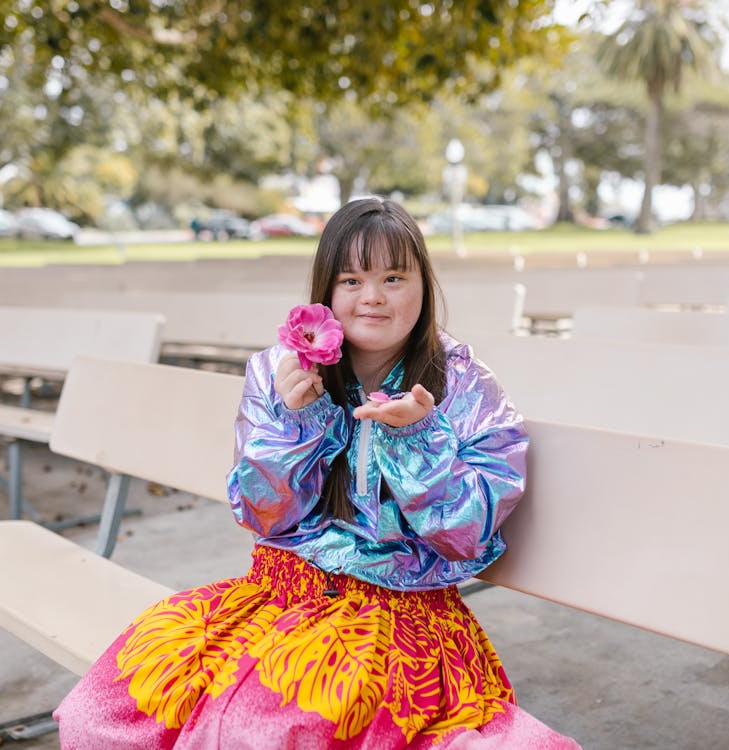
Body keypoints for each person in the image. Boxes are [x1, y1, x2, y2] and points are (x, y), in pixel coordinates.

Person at [54, 198, 581, 749]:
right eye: (350, 280)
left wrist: (416, 441)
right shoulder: (279, 371)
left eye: (394, 277)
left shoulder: (464, 386)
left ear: (424, 286)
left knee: (258, 731)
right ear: (324, 293)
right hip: (276, 596)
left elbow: (468, 534)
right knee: (106, 712)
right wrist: (296, 422)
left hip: (396, 620)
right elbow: (263, 514)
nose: (372, 296)